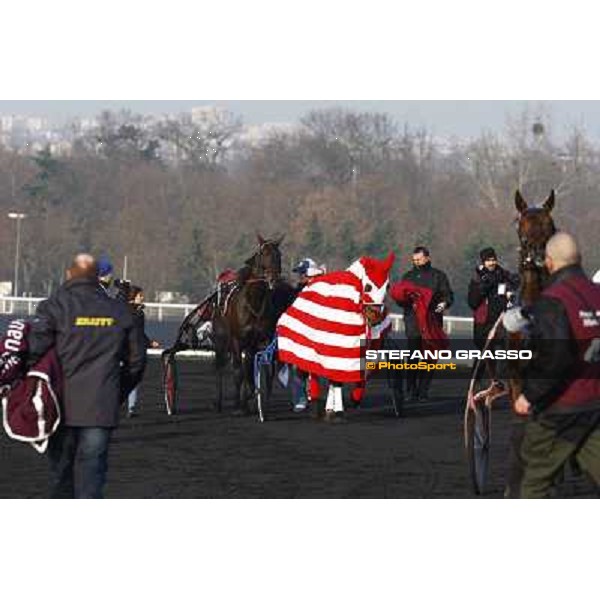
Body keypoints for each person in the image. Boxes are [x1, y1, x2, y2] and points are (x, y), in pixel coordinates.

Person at [27, 253, 147, 498]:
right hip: (101, 405)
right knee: (92, 474)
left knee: (61, 473)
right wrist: (118, 392)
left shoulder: (53, 306)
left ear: (69, 274)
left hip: (61, 405)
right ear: (98, 277)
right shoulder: (120, 311)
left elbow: (34, 354)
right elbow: (137, 361)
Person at [505, 232, 600, 498]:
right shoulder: (596, 294)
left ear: (549, 262)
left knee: (532, 484)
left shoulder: (554, 300)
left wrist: (529, 395)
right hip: (595, 407)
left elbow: (556, 359)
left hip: (562, 410)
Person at [396, 246, 454, 402]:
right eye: (414, 260)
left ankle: (423, 391)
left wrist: (444, 304)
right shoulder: (407, 276)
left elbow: (448, 295)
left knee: (429, 358)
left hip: (432, 322)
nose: (416, 262)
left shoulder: (439, 276)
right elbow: (401, 299)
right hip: (413, 322)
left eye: (419, 259)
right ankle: (411, 390)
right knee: (413, 357)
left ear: (427, 258)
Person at [467, 247, 519, 383]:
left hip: (499, 322)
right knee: (483, 354)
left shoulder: (503, 275)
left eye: (493, 260)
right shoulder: (477, 278)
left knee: (502, 353)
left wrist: (510, 293)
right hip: (482, 323)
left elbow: (516, 283)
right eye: (488, 260)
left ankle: (496, 384)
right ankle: (475, 383)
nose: (491, 263)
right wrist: (484, 288)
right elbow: (472, 303)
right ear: (483, 262)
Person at [289, 258, 326, 413]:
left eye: (303, 273)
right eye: (300, 274)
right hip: (302, 333)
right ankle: (301, 398)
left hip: (320, 333)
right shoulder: (297, 290)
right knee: (295, 367)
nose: (301, 276)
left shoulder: (323, 289)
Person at [126, 285, 160, 418]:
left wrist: (149, 342)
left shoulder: (136, 312)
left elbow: (139, 333)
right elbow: (136, 333)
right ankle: (130, 407)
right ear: (133, 297)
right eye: (140, 295)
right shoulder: (136, 313)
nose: (142, 297)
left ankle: (130, 407)